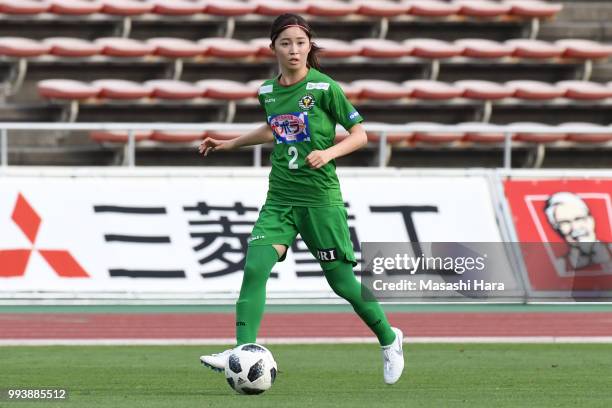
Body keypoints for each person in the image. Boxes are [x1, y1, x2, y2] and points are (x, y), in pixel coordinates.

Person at [198, 13, 404, 385]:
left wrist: (329, 153)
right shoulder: (266, 91)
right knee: (255, 268)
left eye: (301, 43)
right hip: (280, 198)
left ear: (310, 46)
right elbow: (274, 127)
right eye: (286, 43)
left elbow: (360, 135)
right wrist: (230, 142)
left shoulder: (325, 88)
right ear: (273, 47)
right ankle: (244, 350)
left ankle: (389, 339)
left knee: (342, 283)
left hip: (320, 201)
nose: (294, 50)